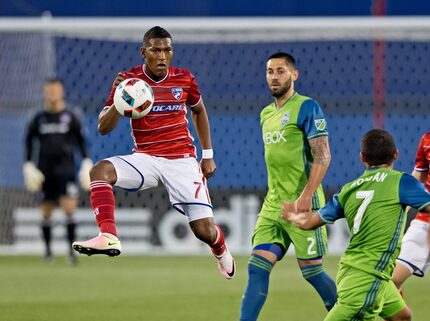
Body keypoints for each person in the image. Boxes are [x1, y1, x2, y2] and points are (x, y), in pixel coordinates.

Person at [72, 26, 235, 279]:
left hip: (181, 159)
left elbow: (199, 111)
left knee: (204, 230)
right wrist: (119, 98)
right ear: (143, 52)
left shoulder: (184, 79)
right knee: (99, 171)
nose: (161, 56)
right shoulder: (128, 80)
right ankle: (108, 236)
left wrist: (208, 154)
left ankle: (220, 248)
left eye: (167, 50)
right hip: (145, 158)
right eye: (155, 50)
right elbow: (103, 128)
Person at [282, 129, 430, 321]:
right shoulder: (402, 183)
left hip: (359, 272)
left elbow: (310, 222)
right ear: (396, 154)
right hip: (367, 280)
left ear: (362, 157)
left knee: (402, 316)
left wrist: (291, 216)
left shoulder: (349, 189)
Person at [239, 52, 337, 321]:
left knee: (312, 272)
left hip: (304, 205)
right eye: (270, 71)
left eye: (281, 71)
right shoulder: (266, 114)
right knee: (257, 267)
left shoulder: (307, 107)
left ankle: (351, 316)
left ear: (294, 75)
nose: (274, 76)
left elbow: (323, 155)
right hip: (274, 205)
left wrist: (306, 196)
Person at [23, 78, 93, 264]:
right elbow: (29, 142)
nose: (53, 93)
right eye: (49, 90)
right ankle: (47, 252)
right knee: (46, 212)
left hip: (66, 170)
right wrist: (28, 164)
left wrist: (86, 161)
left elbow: (81, 141)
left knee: (69, 207)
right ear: (45, 92)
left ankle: (71, 252)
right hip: (44, 171)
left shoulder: (70, 116)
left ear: (62, 92)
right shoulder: (39, 118)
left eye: (56, 90)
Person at [393, 131, 430, 290]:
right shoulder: (427, 139)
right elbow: (419, 175)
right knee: (391, 282)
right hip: (425, 221)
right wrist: (400, 203)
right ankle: (402, 316)